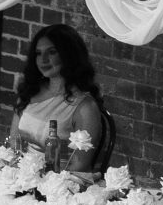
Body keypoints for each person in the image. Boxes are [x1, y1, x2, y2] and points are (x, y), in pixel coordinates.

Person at [11, 24, 108, 165]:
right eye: (38, 53)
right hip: (22, 171)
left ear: (68, 55)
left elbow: (79, 166)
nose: (43, 59)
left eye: (51, 52)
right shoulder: (30, 91)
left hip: (60, 176)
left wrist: (43, 176)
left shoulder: (85, 107)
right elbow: (14, 144)